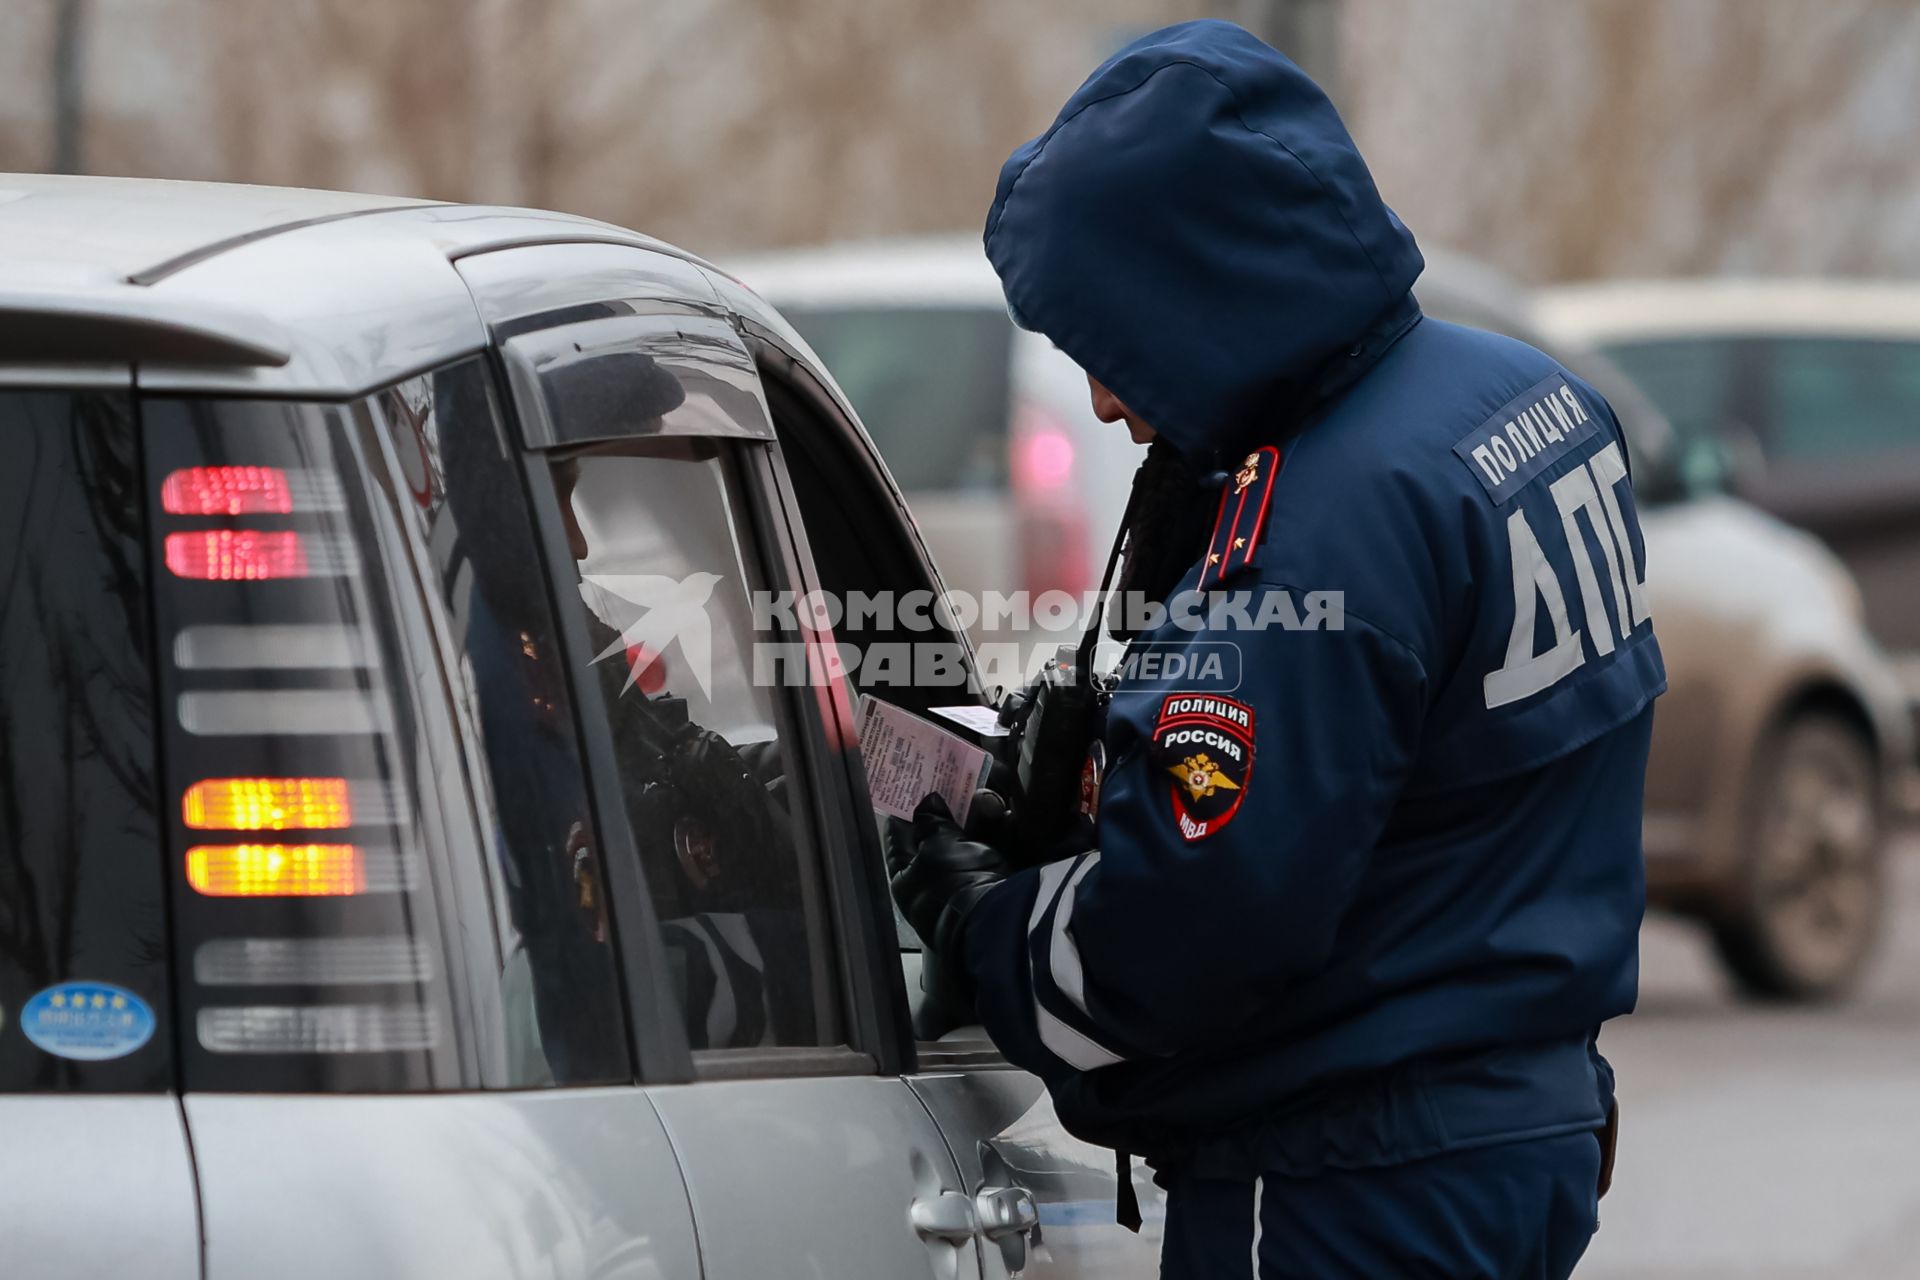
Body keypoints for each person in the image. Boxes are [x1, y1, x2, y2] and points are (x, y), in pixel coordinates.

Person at [886, 20, 1664, 1279]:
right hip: (1527, 1131)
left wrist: (989, 929)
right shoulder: (1527, 403)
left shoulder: (1305, 537)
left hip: (1345, 1186)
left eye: (1112, 346)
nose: (1101, 399)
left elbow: (1188, 932)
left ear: (1195, 296)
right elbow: (1425, 792)